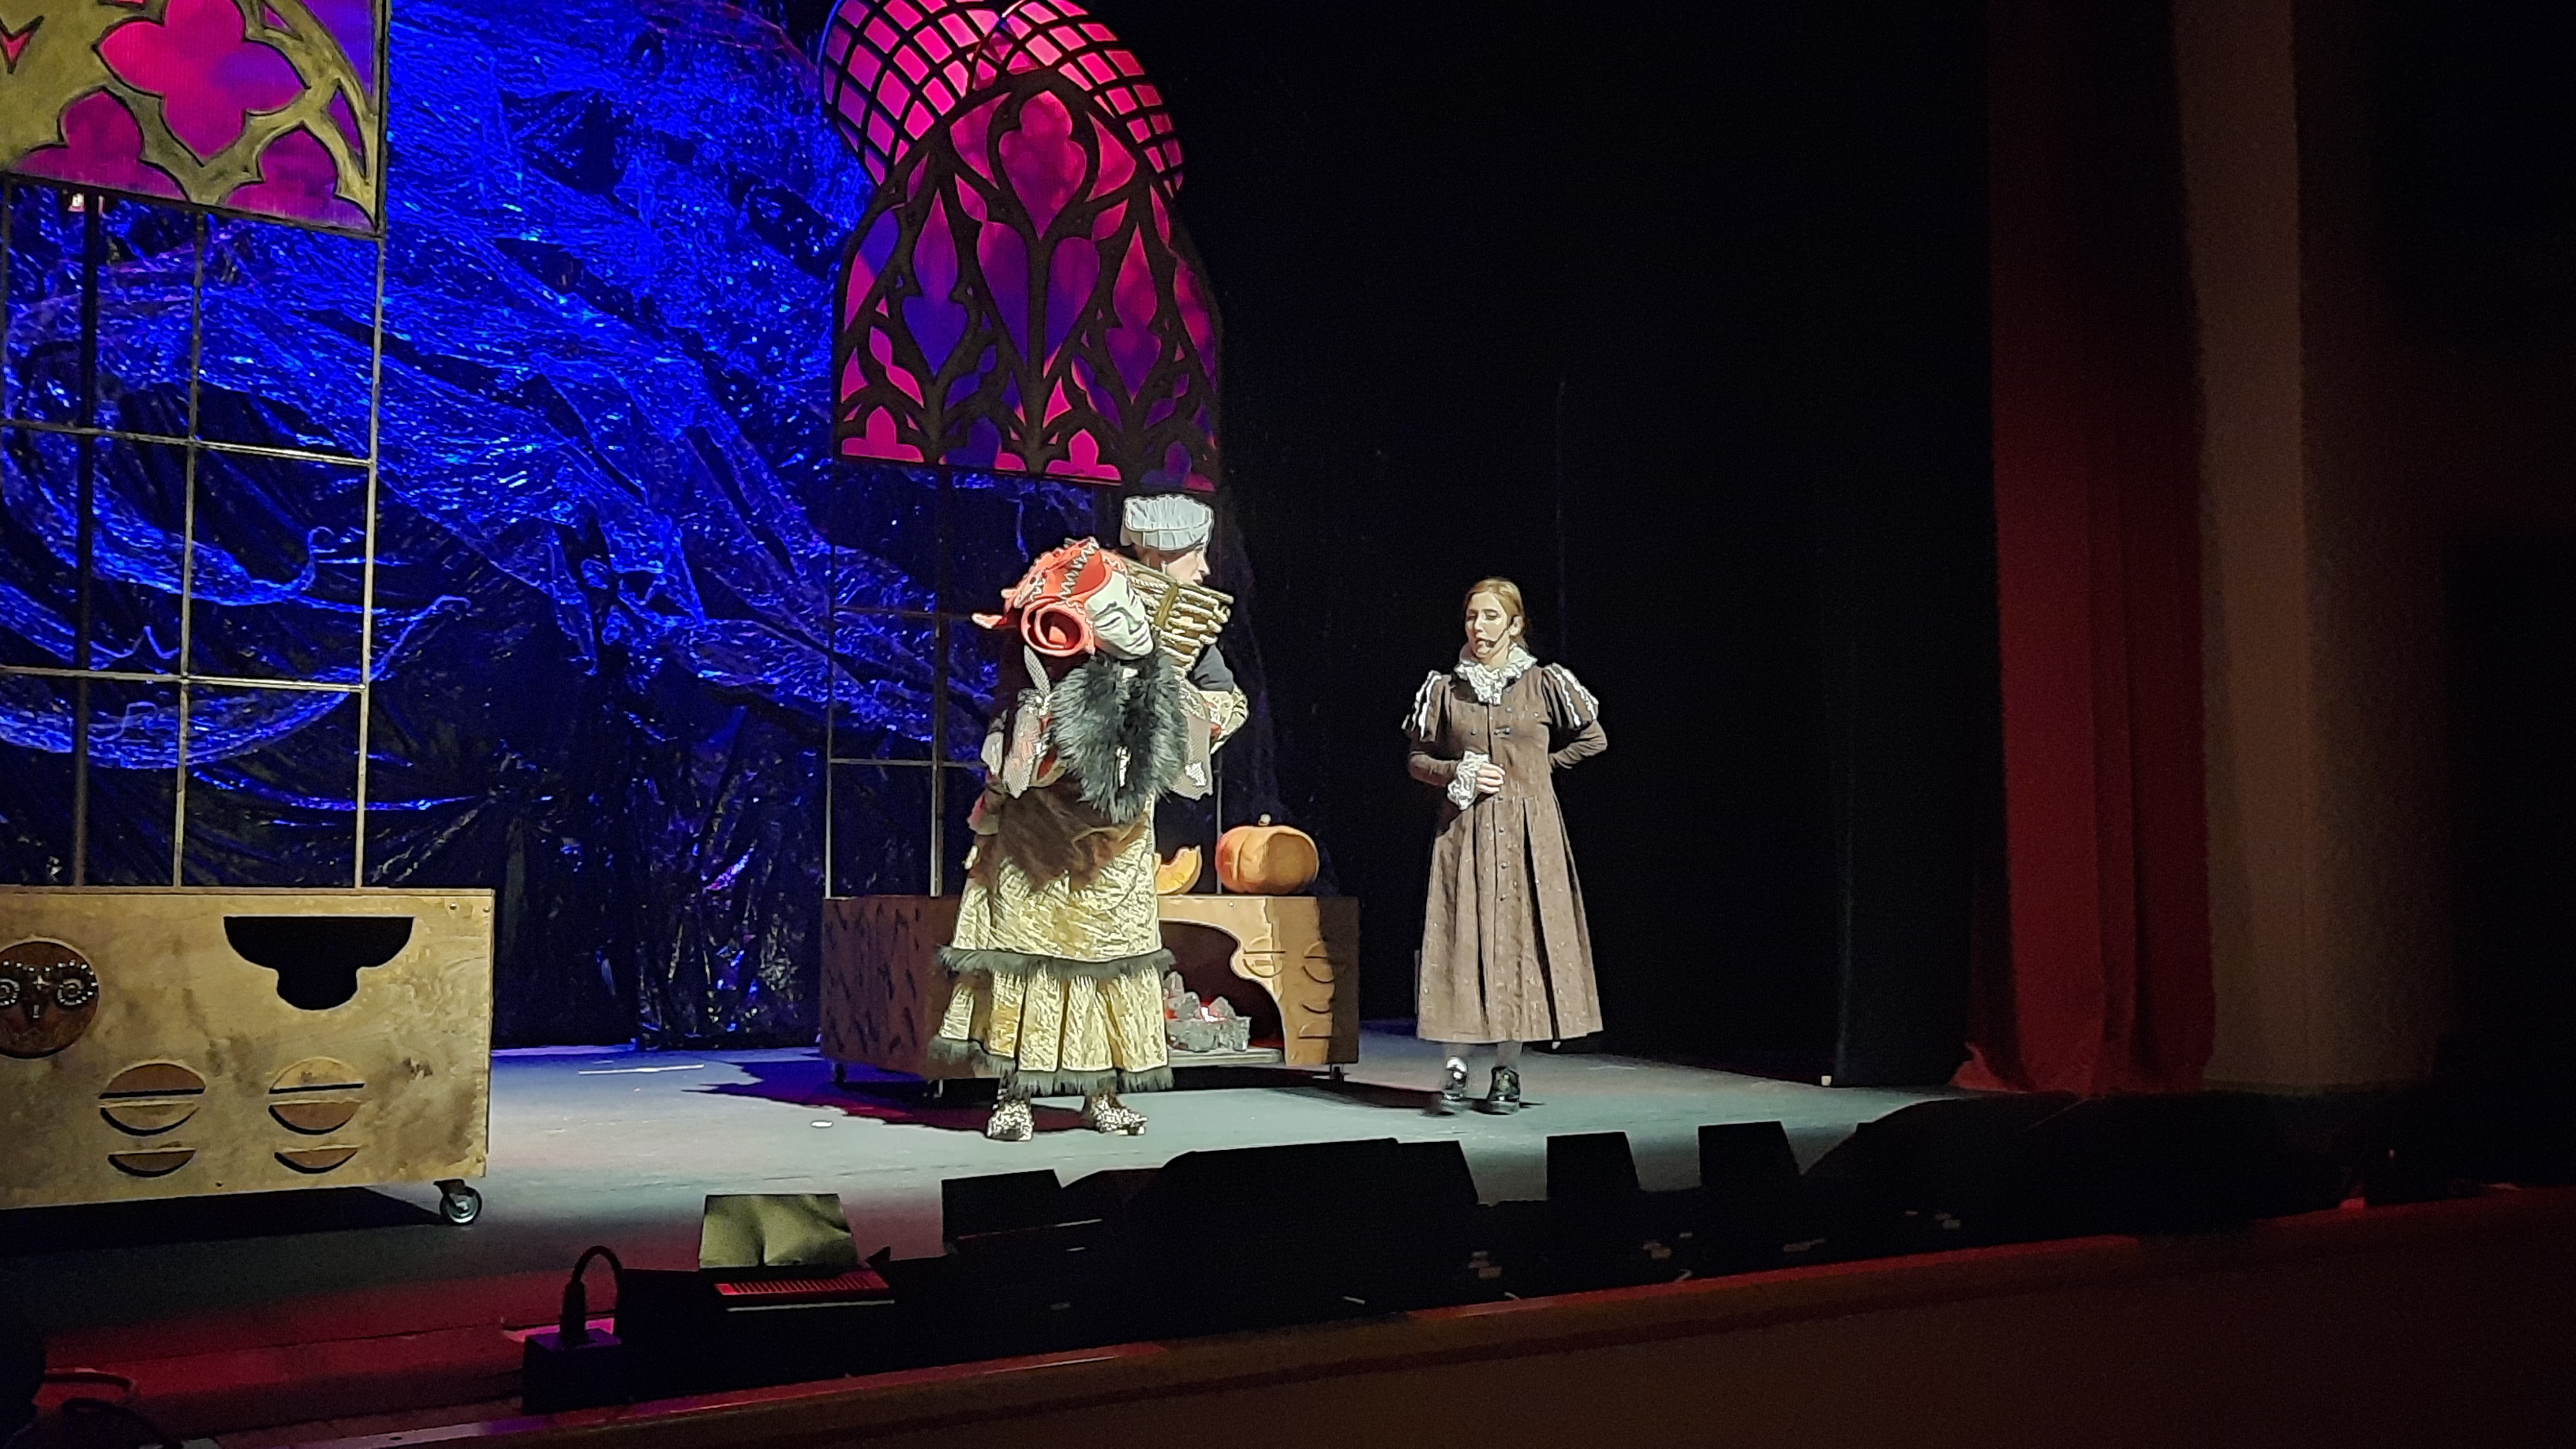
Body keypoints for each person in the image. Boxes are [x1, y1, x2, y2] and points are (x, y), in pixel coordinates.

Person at [931, 537, 1192, 1140]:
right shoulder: (1038, 669)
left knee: (1111, 966)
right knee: (1032, 964)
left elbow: (1189, 730)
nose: (1131, 620)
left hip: (1119, 843)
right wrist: (1030, 732)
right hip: (1043, 838)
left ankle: (1102, 1095)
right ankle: (1014, 1094)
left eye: (1130, 604)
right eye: (1112, 609)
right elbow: (1012, 760)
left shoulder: (1154, 666)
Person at [1405, 577, 1607, 1113]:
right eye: (1473, 616)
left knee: (1519, 945)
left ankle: (1506, 1070)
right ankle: (1454, 1067)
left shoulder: (1543, 683)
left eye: (1491, 616)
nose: (1479, 626)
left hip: (1527, 833)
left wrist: (1539, 770)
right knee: (1461, 940)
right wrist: (1456, 771)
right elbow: (1418, 758)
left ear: (1515, 625)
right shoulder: (1445, 690)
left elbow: (1593, 738)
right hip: (1466, 830)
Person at [1120, 492, 1249, 852]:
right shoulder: (1097, 597)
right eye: (1196, 552)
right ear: (1163, 552)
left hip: (1129, 817)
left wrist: (1184, 719)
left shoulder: (1188, 626)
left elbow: (1227, 697)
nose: (1204, 568)